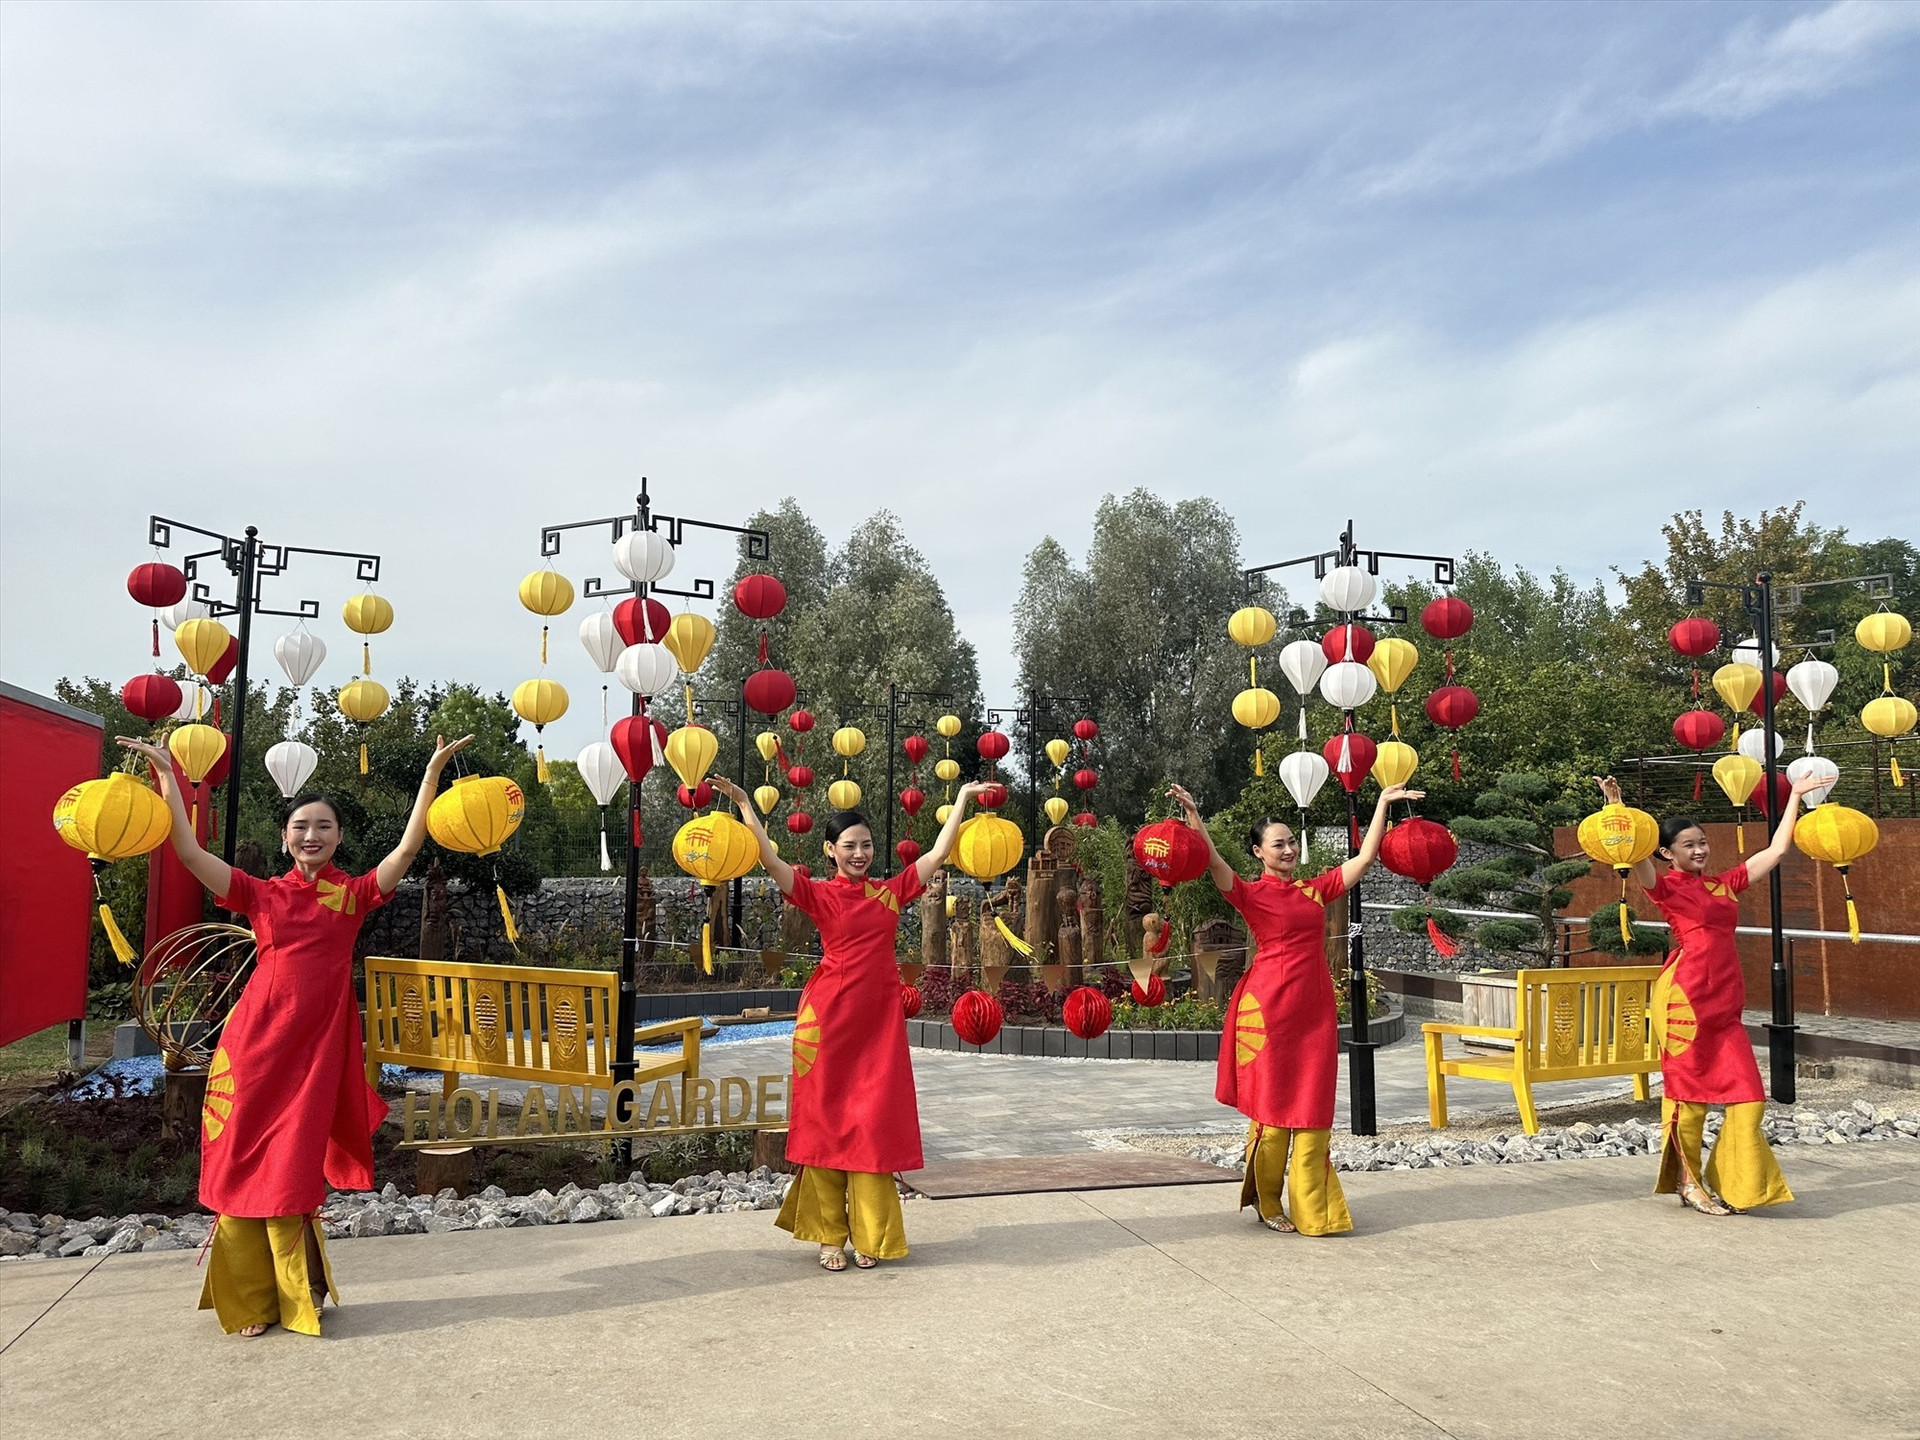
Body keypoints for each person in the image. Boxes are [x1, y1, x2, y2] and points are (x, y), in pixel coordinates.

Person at [119, 732, 471, 1335]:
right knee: (241, 1157)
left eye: (324, 827)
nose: (312, 835)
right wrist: (166, 779)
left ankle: (297, 1291)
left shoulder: (353, 895)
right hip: (255, 1044)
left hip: (317, 1050)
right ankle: (252, 1300)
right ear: (285, 837)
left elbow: (409, 850)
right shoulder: (259, 894)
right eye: (301, 826)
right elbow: (186, 851)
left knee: (293, 1166)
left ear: (339, 837)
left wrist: (432, 774)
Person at [711, 775, 989, 1271]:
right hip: (827, 1023)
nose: (859, 854)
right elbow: (769, 859)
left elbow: (938, 855)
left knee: (872, 1126)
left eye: (865, 845)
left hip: (879, 1026)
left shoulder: (890, 892)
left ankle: (871, 1235)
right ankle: (827, 1237)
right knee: (826, 1125)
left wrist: (963, 798)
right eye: (849, 846)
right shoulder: (819, 895)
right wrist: (743, 804)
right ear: (830, 851)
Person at [1167, 780, 1420, 1235]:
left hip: (1314, 1009)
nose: (1287, 849)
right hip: (1267, 1011)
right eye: (1278, 844)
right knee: (1273, 1104)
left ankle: (1314, 1211)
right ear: (1259, 852)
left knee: (1312, 1102)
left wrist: (1380, 802)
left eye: (1290, 842)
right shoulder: (1249, 893)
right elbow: (1215, 863)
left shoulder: (1315, 890)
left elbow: (1363, 860)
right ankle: (1268, 1202)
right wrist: (1194, 817)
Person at [1596, 772, 1824, 1215]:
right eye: (1688, 845)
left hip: (1725, 1004)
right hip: (1685, 998)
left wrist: (1794, 795)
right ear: (1666, 853)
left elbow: (1776, 850)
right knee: (1689, 1096)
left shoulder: (1724, 884)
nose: (1699, 849)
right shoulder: (1664, 888)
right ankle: (1690, 1183)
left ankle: (1736, 1183)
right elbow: (1634, 852)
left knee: (1749, 1097)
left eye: (1702, 842)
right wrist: (1617, 809)